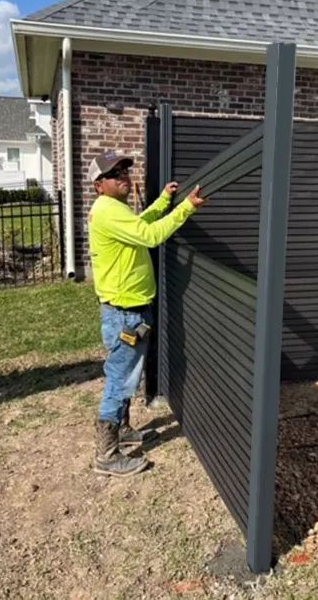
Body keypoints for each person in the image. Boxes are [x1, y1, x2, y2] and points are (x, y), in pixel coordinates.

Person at [87, 151, 205, 476]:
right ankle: (107, 455)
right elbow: (151, 236)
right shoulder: (108, 211)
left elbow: (140, 225)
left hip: (130, 310)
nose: (124, 176)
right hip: (126, 313)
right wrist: (185, 209)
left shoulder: (114, 210)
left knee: (127, 377)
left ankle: (122, 432)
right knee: (119, 379)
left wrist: (164, 202)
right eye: (115, 174)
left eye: (125, 170)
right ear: (99, 185)